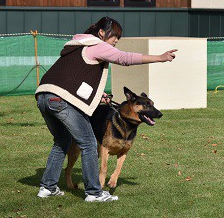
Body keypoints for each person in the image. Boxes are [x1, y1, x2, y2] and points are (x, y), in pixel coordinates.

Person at [35, 17, 177, 202]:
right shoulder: (96, 45)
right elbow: (124, 58)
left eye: (118, 37)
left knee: (62, 141)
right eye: (114, 35)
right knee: (88, 143)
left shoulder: (77, 46)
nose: (116, 40)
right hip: (60, 99)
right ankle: (94, 193)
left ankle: (47, 187)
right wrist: (159, 58)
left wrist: (97, 95)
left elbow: (75, 79)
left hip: (43, 96)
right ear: (101, 32)